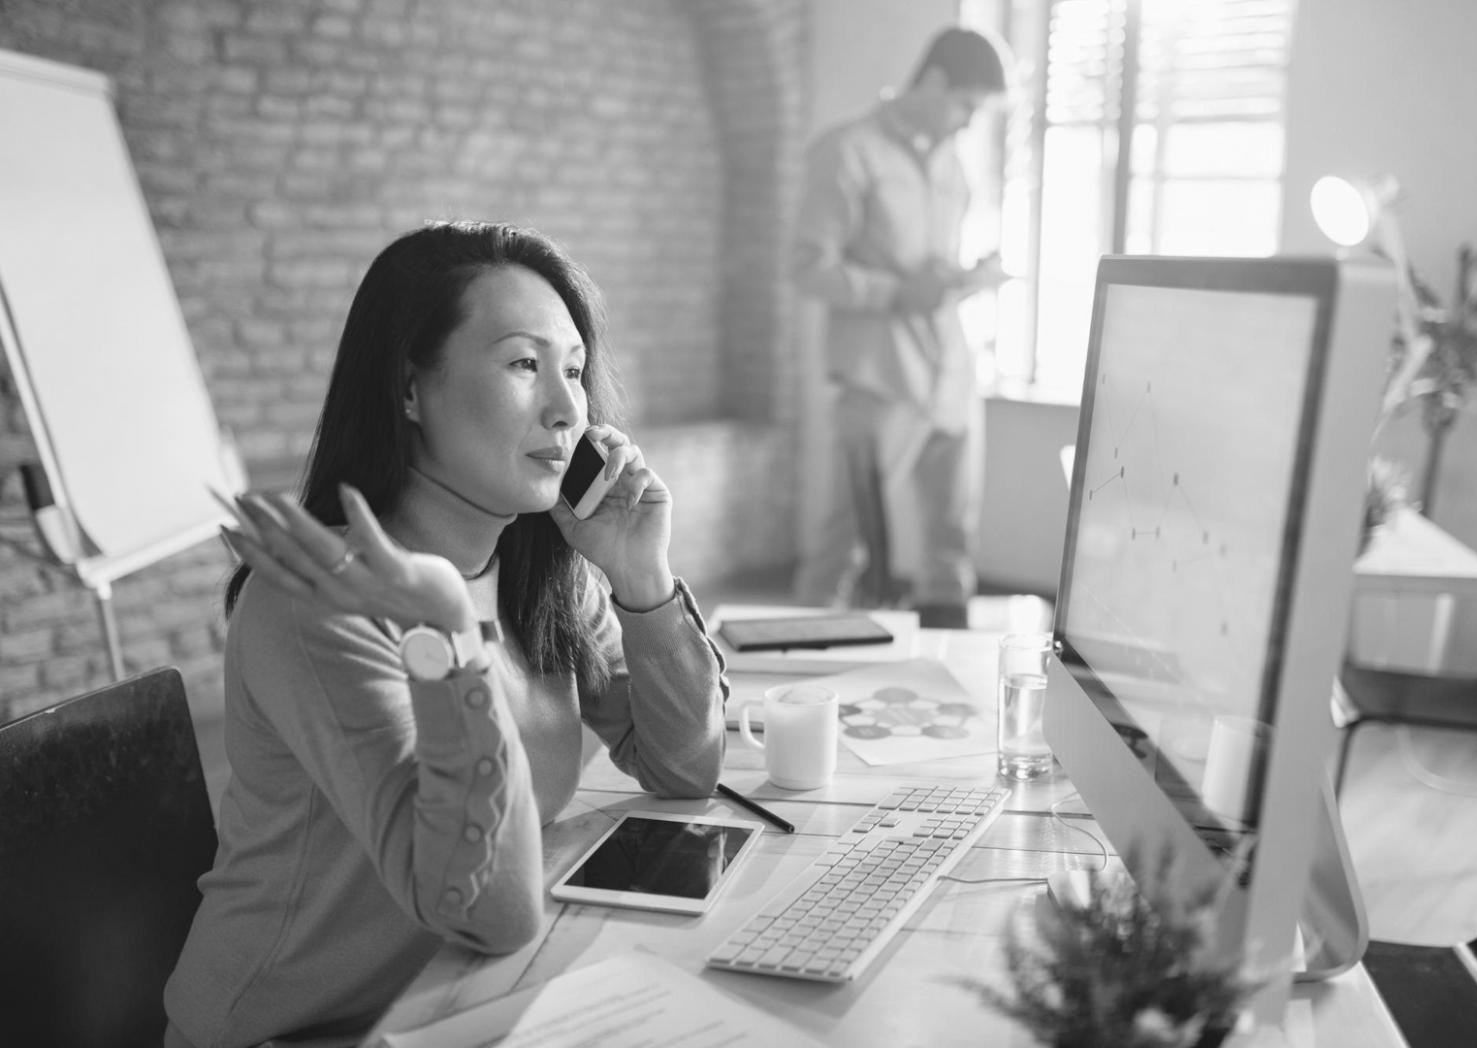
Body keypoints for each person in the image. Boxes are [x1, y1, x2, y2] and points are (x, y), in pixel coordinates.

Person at [164, 221, 728, 1048]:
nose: (568, 406)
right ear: (408, 389)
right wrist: (446, 634)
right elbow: (484, 911)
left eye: (572, 369)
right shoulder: (318, 603)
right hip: (304, 1030)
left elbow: (685, 767)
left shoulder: (545, 564)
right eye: (523, 364)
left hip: (462, 1000)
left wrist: (640, 580)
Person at [792, 25, 1013, 628]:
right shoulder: (846, 151)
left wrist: (966, 277)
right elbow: (808, 270)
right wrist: (897, 293)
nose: (970, 122)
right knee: (846, 546)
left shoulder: (953, 168)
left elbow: (928, 270)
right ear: (934, 81)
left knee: (952, 544)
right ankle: (789, 689)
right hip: (879, 377)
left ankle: (947, 682)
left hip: (950, 374)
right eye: (966, 104)